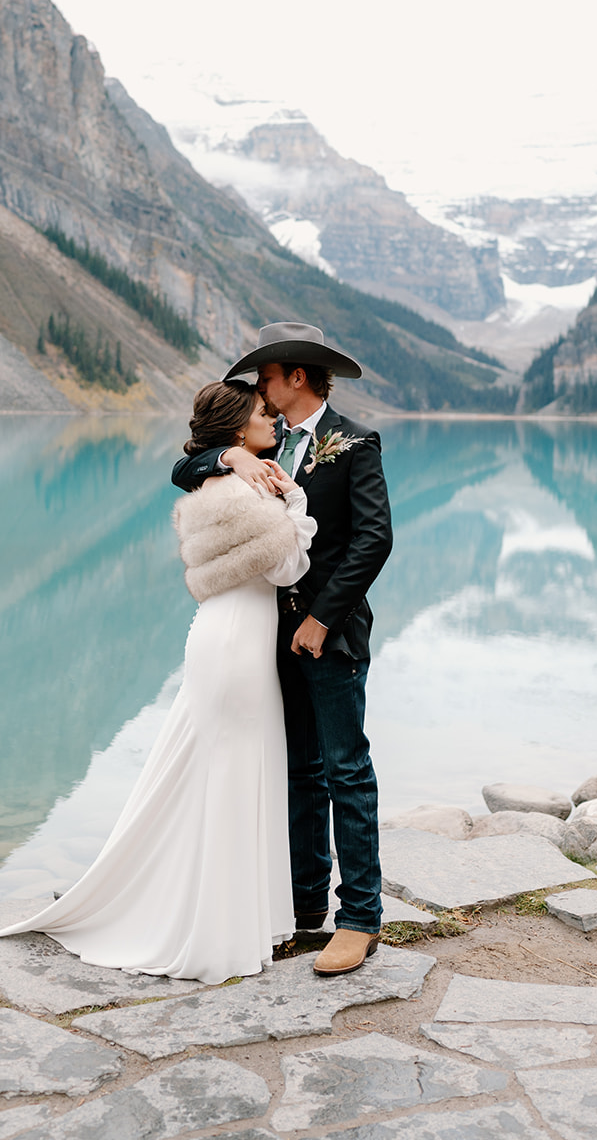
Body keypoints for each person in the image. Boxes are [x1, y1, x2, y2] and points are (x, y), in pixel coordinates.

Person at [0, 379, 315, 985]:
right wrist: (297, 505)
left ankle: (227, 914)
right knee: (233, 771)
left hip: (225, 636)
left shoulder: (219, 480)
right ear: (236, 431)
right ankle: (215, 927)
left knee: (227, 769)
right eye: (262, 414)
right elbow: (285, 564)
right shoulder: (242, 492)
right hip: (236, 645)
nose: (272, 420)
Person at [172, 321, 393, 977]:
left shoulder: (352, 442)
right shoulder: (254, 445)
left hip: (328, 635)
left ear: (295, 375)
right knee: (297, 774)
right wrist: (226, 457)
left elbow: (372, 541)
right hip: (265, 638)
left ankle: (358, 920)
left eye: (266, 377)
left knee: (344, 769)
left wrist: (322, 619)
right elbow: (185, 465)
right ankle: (302, 913)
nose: (259, 389)